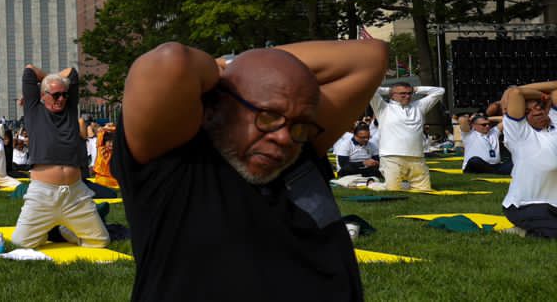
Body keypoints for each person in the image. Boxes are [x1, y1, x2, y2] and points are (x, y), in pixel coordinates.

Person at [113, 39, 386, 301]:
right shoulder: (177, 165)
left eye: (299, 125)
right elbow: (170, 62)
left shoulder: (298, 147)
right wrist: (236, 69)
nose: (284, 138)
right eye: (267, 117)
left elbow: (371, 57)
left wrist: (247, 69)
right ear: (214, 108)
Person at [9, 65, 109, 249]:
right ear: (43, 95)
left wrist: (57, 84)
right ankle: (54, 229)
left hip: (75, 193)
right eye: (55, 95)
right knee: (21, 242)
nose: (61, 99)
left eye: (64, 94)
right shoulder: (33, 109)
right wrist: (52, 81)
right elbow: (29, 70)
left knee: (101, 241)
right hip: (43, 193)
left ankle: (62, 230)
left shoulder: (70, 109)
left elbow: (72, 72)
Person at [499, 79, 557, 238]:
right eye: (528, 111)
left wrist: (544, 98)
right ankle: (524, 231)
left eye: (537, 107)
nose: (536, 111)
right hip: (526, 205)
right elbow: (516, 94)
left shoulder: (554, 123)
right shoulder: (519, 133)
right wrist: (512, 91)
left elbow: (556, 87)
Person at [370, 81, 445, 191]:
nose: (407, 96)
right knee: (393, 190)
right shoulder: (383, 108)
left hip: (417, 156)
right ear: (392, 95)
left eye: (410, 93)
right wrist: (387, 90)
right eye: (402, 93)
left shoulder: (419, 106)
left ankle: (402, 185)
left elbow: (440, 91)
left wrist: (416, 89)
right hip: (391, 156)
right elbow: (369, 89)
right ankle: (371, 184)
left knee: (424, 190)